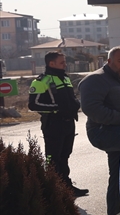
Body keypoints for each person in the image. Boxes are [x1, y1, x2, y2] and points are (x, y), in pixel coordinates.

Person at [79, 46, 120, 215]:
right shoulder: (96, 79)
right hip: (106, 132)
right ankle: (117, 214)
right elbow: (92, 108)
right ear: (109, 61)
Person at [28, 50, 86, 196]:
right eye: (62, 62)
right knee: (53, 157)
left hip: (68, 123)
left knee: (65, 155)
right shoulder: (42, 81)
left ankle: (66, 186)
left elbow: (70, 99)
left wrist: (75, 104)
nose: (65, 64)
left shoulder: (65, 78)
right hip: (53, 124)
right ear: (51, 63)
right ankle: (52, 189)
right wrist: (57, 109)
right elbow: (33, 104)